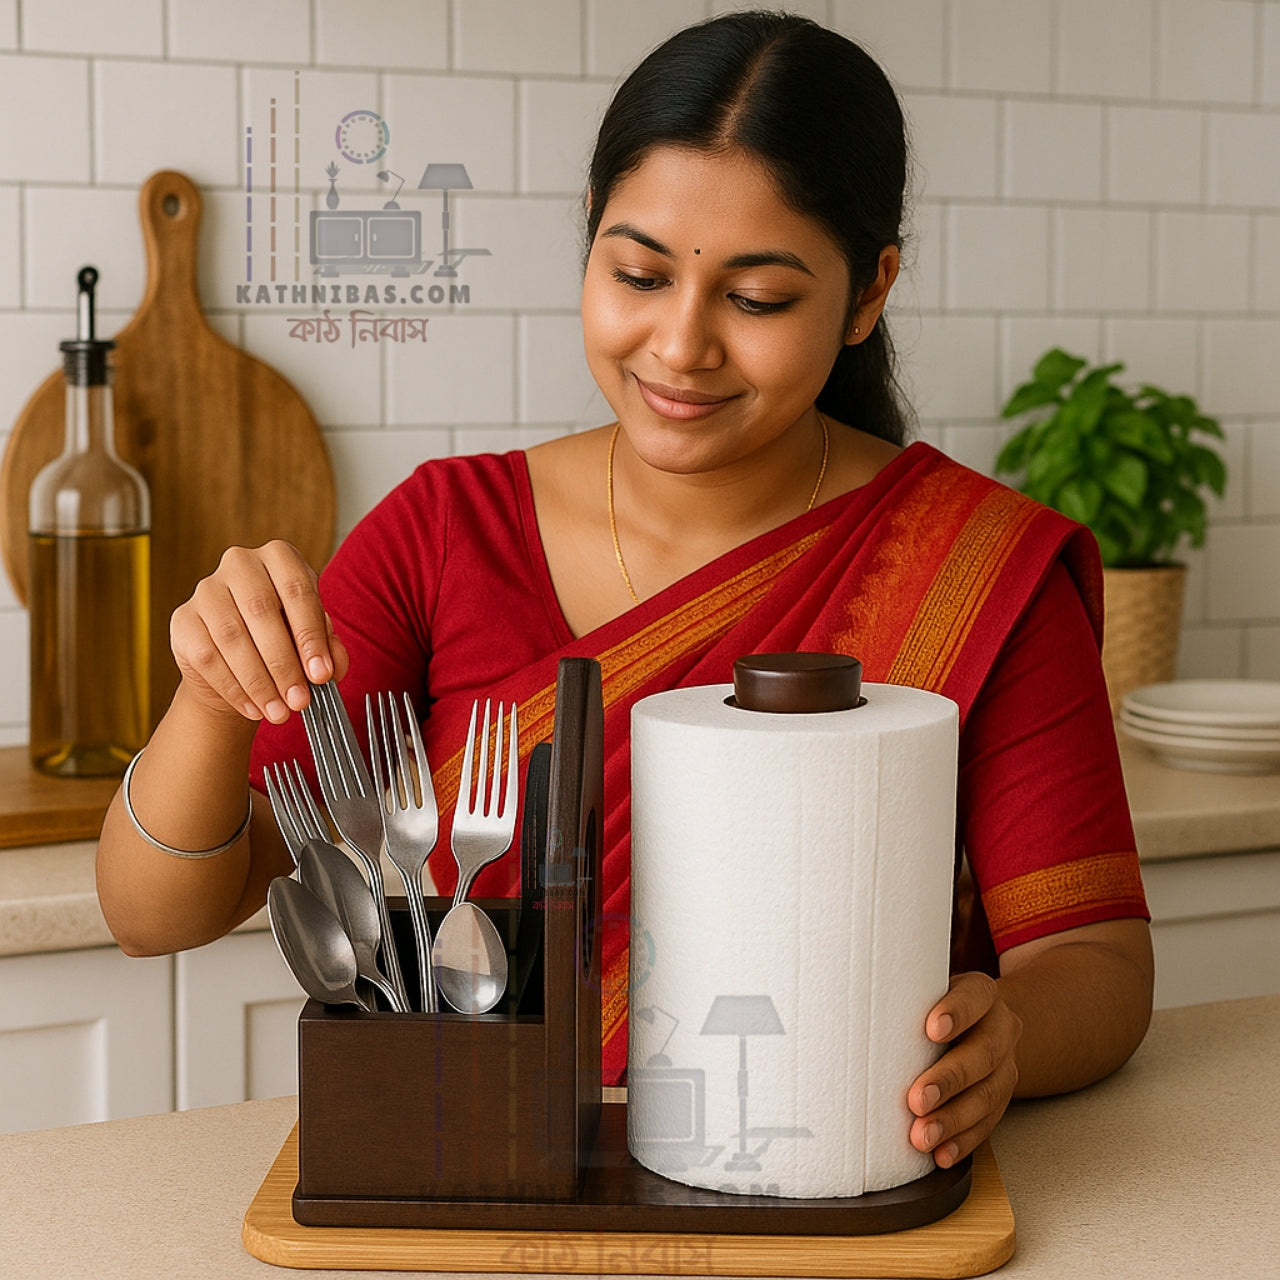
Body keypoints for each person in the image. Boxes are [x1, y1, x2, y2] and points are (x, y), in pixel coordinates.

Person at [97, 11, 1153, 1174]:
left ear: (867, 294)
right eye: (636, 273)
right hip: (484, 1166)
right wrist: (210, 689)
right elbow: (158, 912)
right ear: (588, 247)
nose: (680, 345)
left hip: (809, 1173)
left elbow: (1093, 961)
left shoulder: (971, 568)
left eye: (755, 298)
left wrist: (1007, 1039)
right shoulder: (445, 529)